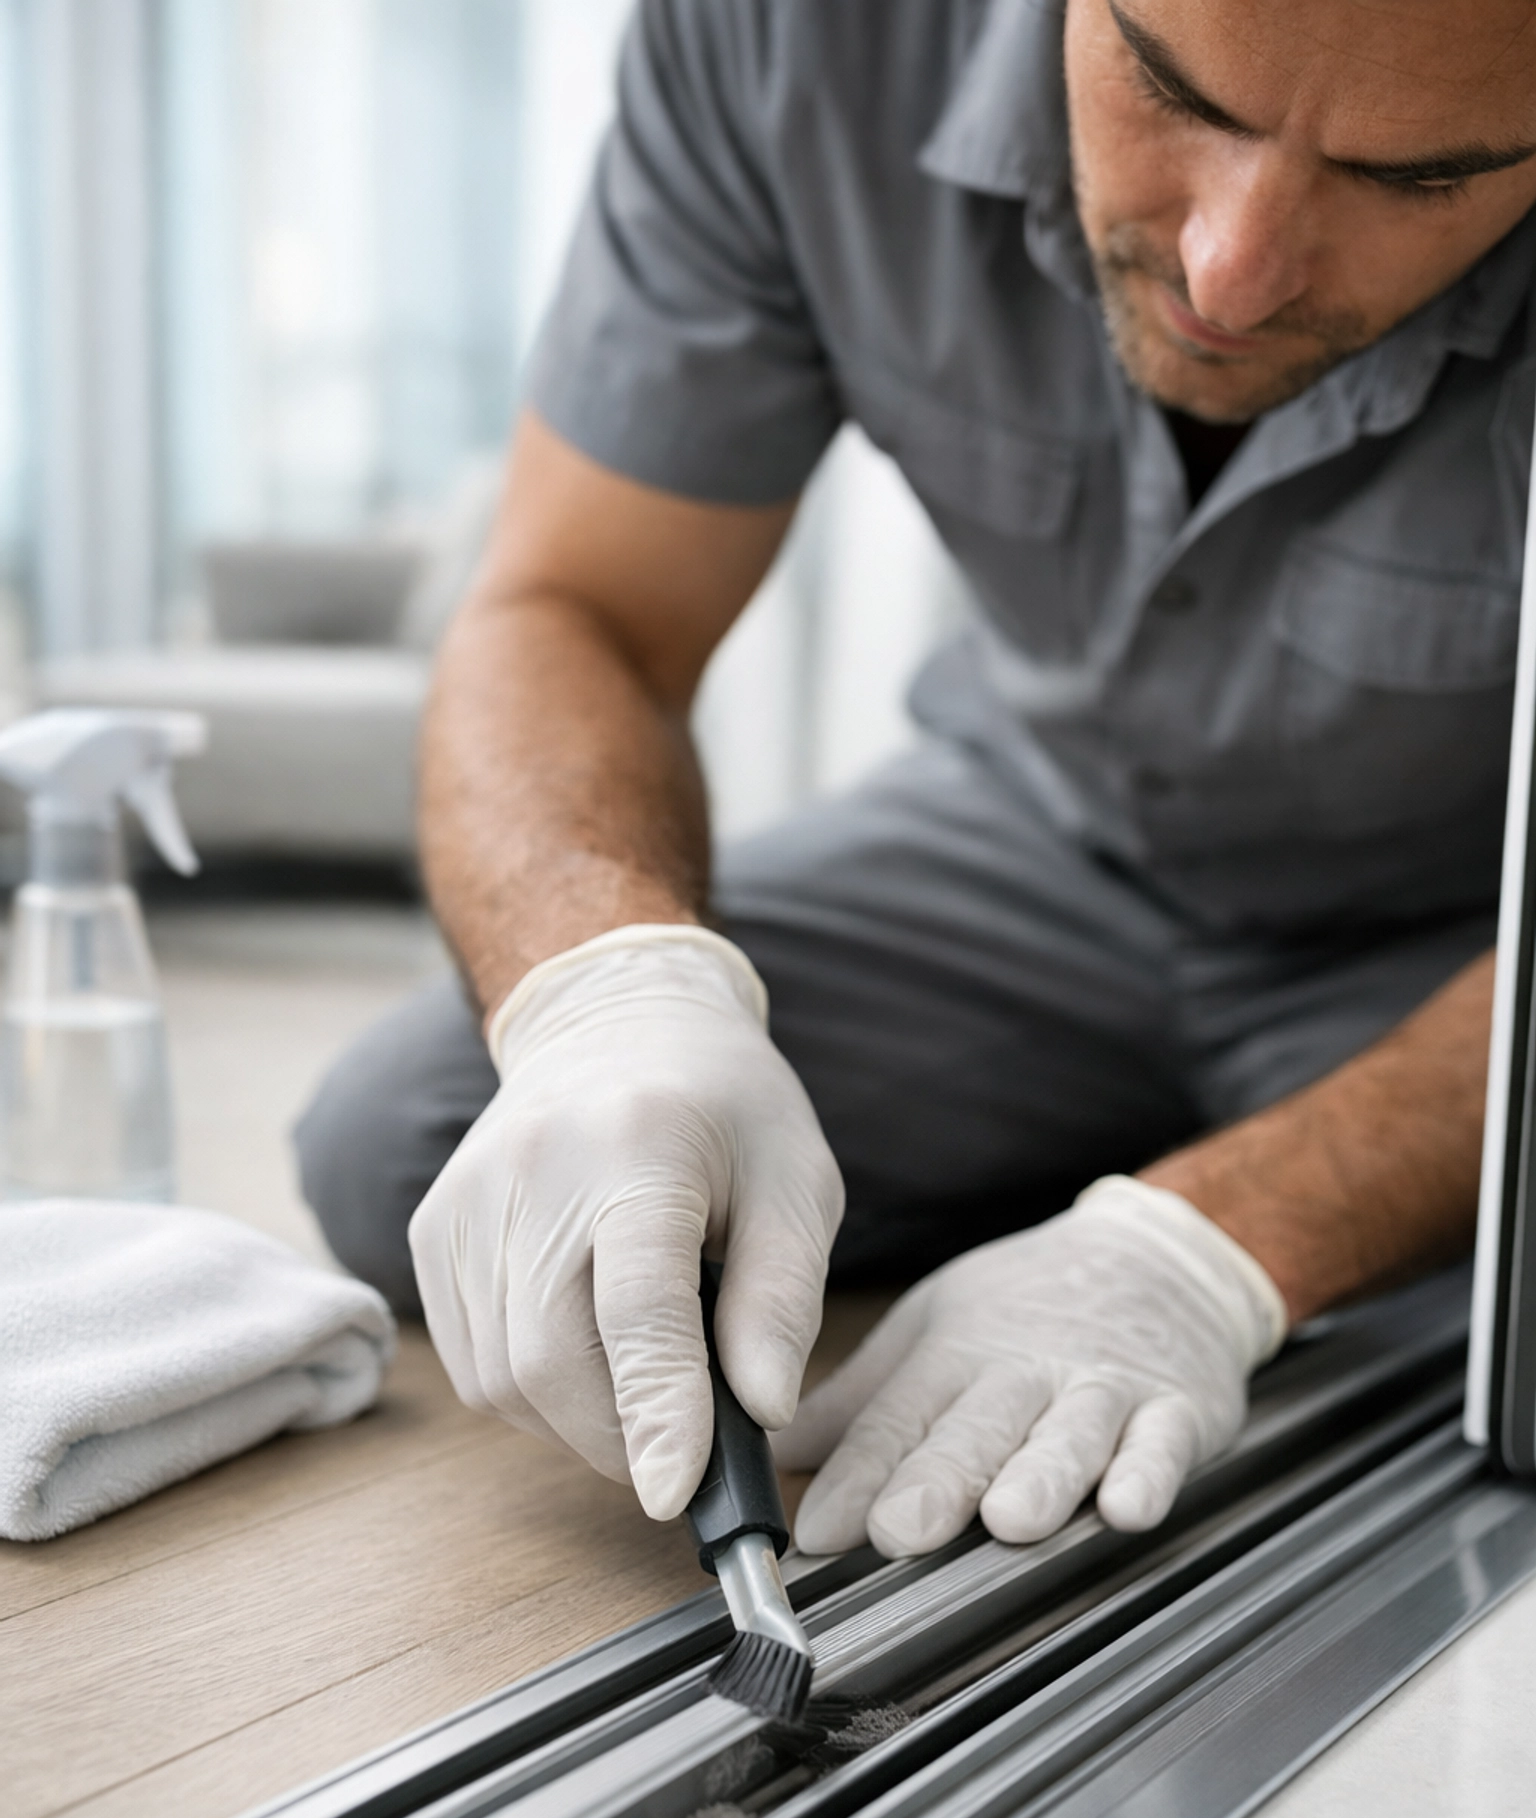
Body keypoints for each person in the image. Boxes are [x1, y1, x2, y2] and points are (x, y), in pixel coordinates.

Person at [297, 0, 1536, 1563]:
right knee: (425, 1142)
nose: (1231, 269)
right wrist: (608, 993)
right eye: (1170, 90)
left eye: (1416, 178)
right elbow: (572, 607)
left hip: (1473, 936)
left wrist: (1217, 1243)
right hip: (1040, 841)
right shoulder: (798, 39)